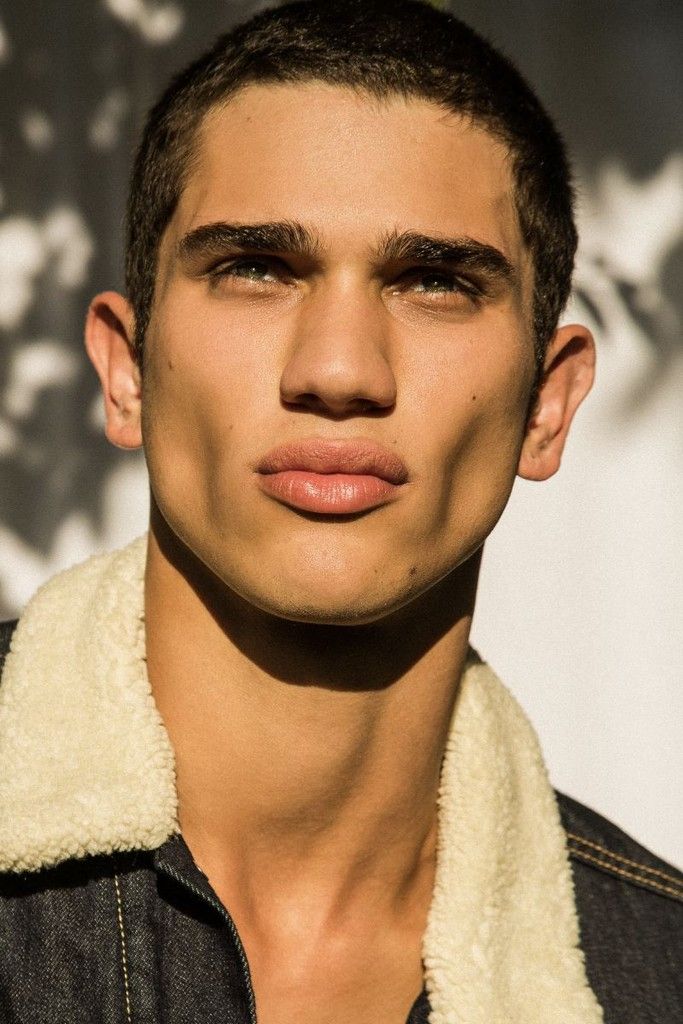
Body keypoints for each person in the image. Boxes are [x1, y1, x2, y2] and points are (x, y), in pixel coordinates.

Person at [0, 1, 680, 1021]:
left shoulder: (655, 976)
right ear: (126, 371)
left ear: (545, 407)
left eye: (433, 282)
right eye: (256, 269)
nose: (338, 370)